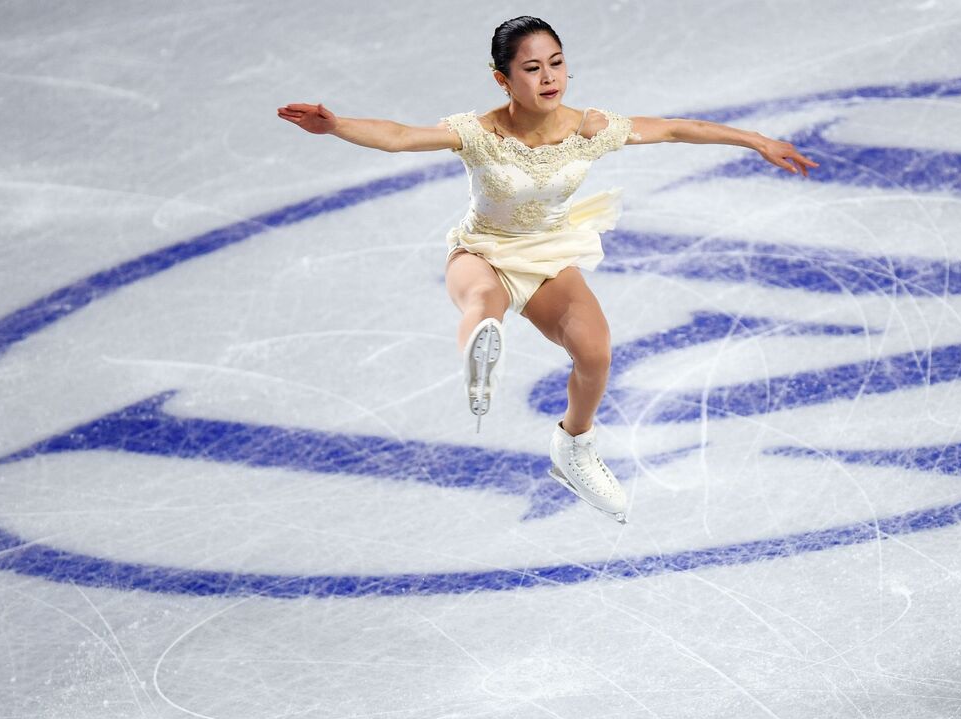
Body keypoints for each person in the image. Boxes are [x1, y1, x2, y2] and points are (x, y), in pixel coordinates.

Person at [276, 16, 818, 524]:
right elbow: (399, 137)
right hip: (482, 250)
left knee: (595, 352)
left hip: (548, 253)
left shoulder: (591, 128)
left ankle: (574, 446)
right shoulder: (479, 131)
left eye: (555, 63)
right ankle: (479, 367)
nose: (548, 76)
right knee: (483, 305)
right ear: (503, 79)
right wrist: (337, 125)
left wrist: (757, 141)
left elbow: (677, 129)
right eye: (532, 68)